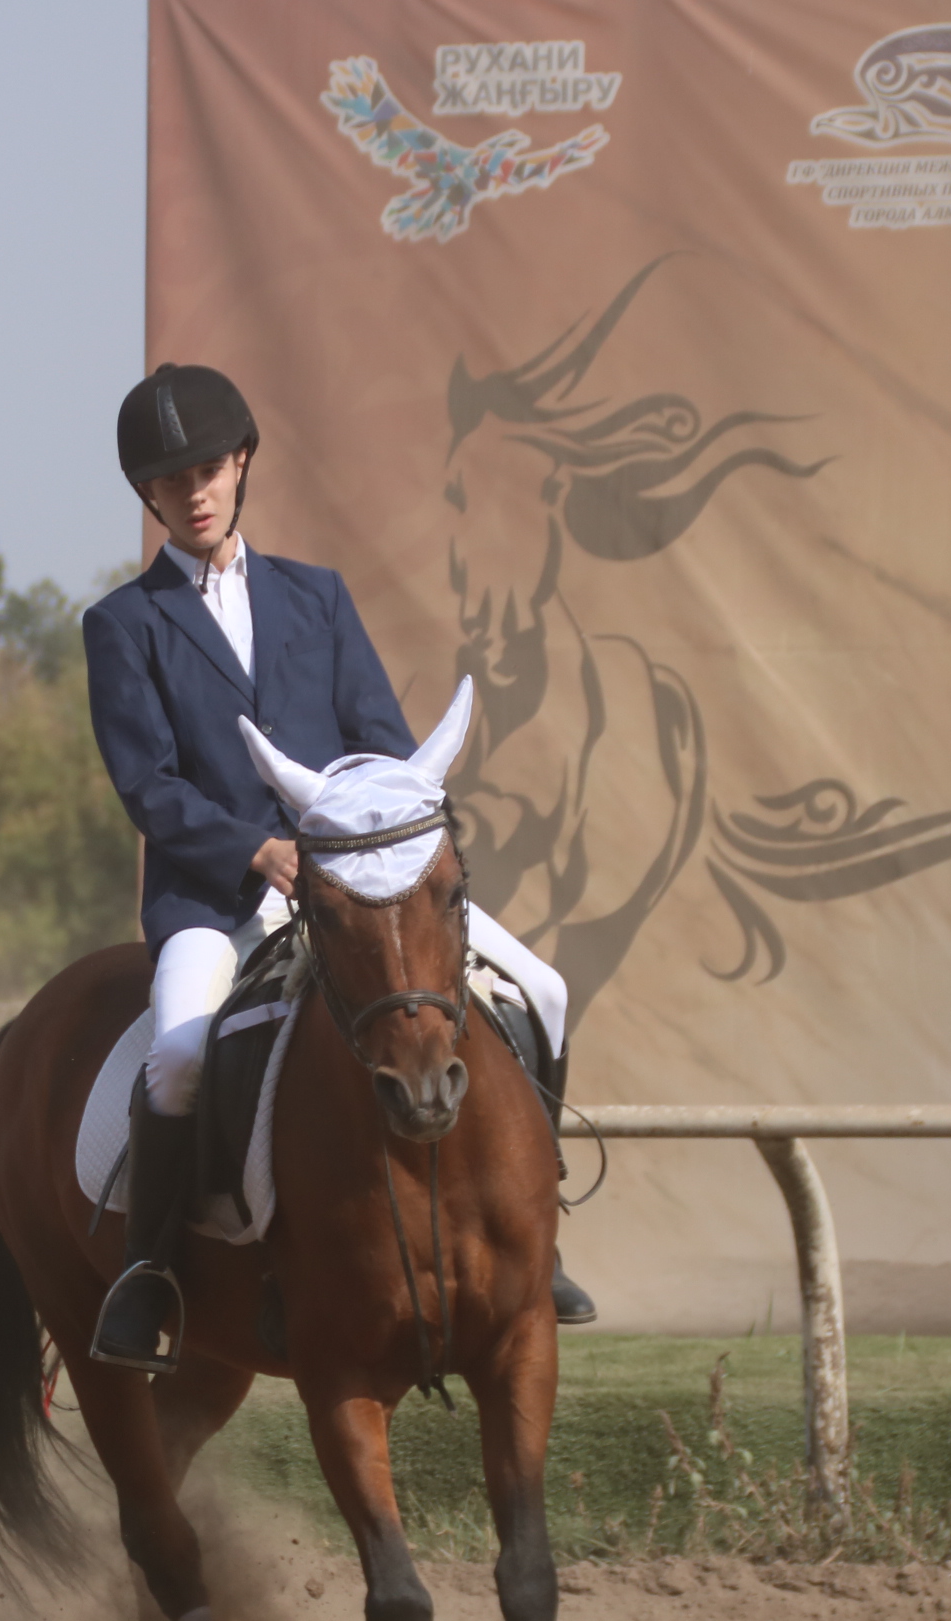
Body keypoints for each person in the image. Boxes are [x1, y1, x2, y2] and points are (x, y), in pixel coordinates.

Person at [79, 364, 595, 1372]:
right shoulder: (124, 626)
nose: (192, 493)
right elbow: (146, 783)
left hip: (359, 888)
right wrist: (253, 846)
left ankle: (545, 1230)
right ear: (148, 495)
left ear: (241, 466)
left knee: (544, 986)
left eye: (207, 470)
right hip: (217, 897)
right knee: (181, 1054)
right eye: (168, 480)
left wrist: (381, 848)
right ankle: (150, 1272)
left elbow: (382, 739)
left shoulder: (315, 598)